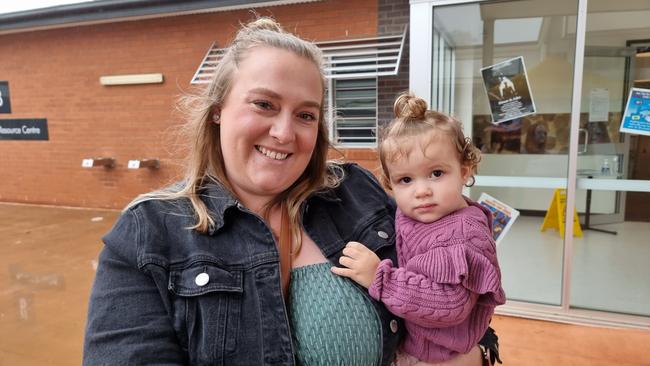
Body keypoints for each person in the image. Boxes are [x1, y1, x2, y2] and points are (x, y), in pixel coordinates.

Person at [83, 18, 500, 365]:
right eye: (264, 104)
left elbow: (444, 299)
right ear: (217, 111)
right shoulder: (147, 234)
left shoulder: (355, 192)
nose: (284, 132)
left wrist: (474, 353)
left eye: (305, 114)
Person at [332, 93, 506, 366]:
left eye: (436, 173)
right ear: (390, 185)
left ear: (464, 170)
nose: (422, 191)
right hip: (416, 344)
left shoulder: (462, 233)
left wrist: (380, 278)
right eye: (405, 179)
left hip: (442, 357)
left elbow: (451, 304)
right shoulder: (416, 212)